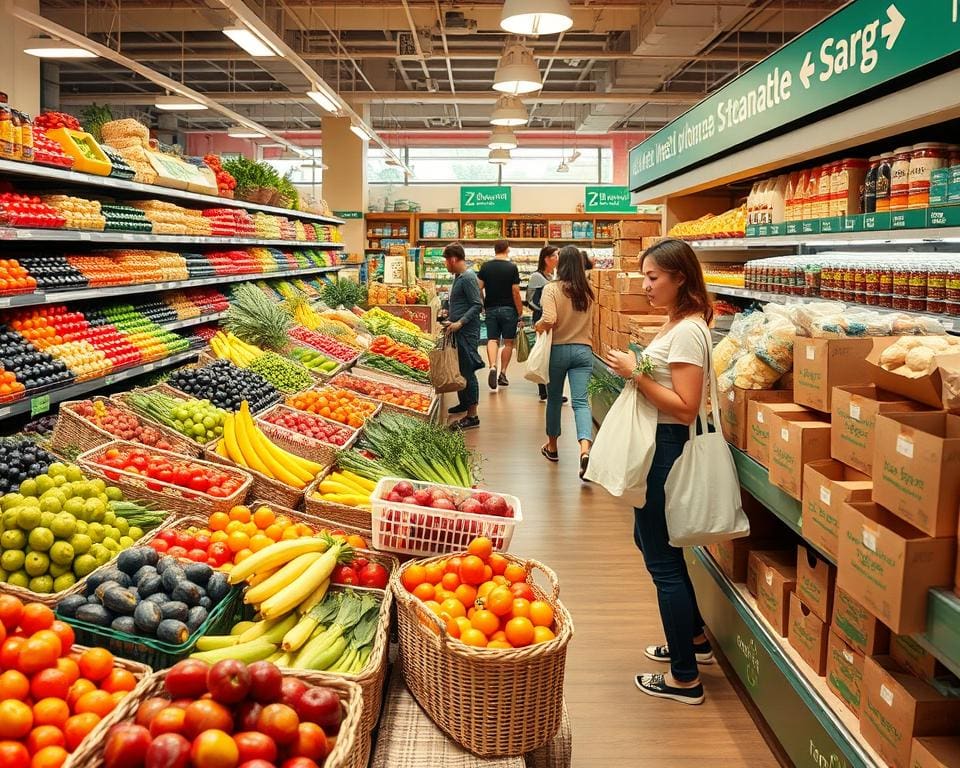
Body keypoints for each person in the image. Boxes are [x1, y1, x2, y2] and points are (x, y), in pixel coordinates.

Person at [604, 239, 715, 706]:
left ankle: (684, 679)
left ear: (680, 278)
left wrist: (636, 373)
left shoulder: (689, 330)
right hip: (660, 444)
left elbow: (687, 409)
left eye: (653, 277)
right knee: (652, 543)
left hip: (668, 445)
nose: (645, 285)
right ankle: (693, 640)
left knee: (662, 562)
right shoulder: (678, 321)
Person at [535, 245, 594, 479]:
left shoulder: (551, 289)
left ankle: (552, 447)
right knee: (581, 403)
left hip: (557, 351)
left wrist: (538, 326)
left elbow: (549, 318)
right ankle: (585, 450)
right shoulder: (588, 290)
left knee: (553, 400)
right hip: (583, 350)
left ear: (561, 264)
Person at [442, 243, 483, 430]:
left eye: (445, 261)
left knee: (468, 371)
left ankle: (472, 415)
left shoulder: (467, 278)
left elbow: (477, 305)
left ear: (453, 259)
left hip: (466, 332)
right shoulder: (459, 277)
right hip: (458, 330)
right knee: (460, 369)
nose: (445, 265)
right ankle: (464, 403)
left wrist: (460, 322)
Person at [478, 239, 523, 391]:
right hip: (509, 309)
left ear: (494, 249)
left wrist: (483, 303)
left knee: (492, 339)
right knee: (508, 342)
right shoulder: (512, 267)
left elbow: (479, 288)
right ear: (507, 249)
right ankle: (503, 373)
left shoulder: (485, 266)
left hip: (491, 308)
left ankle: (492, 366)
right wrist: (520, 310)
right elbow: (515, 291)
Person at [525, 245, 564, 403]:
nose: (558, 258)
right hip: (542, 320)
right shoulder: (537, 276)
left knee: (550, 355)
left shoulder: (551, 276)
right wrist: (543, 310)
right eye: (556, 255)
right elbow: (529, 300)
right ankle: (544, 390)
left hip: (551, 319)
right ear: (546, 259)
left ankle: (548, 391)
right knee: (544, 353)